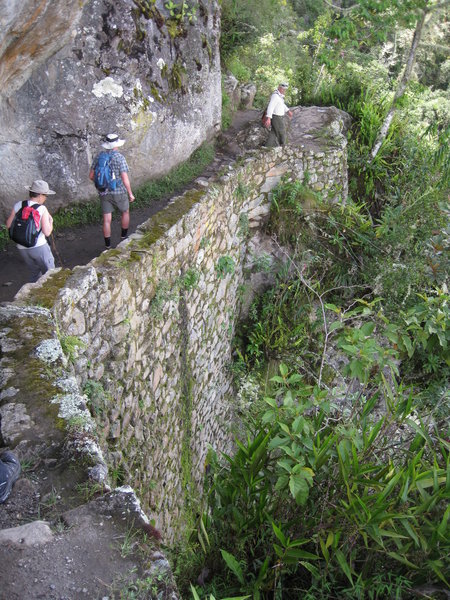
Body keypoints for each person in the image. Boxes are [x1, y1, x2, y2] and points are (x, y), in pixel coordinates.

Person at [89, 133, 135, 249]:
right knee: (125, 212)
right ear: (116, 145)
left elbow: (91, 176)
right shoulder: (120, 158)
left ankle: (107, 245)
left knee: (107, 219)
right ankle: (123, 237)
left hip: (104, 192)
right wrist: (130, 193)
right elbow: (125, 178)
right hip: (119, 191)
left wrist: (102, 184)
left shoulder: (99, 157)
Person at [5, 179, 56, 283]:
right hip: (39, 247)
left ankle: (31, 294)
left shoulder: (19, 205)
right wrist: (51, 222)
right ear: (41, 195)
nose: (46, 198)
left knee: (35, 272)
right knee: (50, 273)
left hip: (22, 248)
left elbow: (8, 225)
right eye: (46, 195)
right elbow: (47, 232)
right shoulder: (42, 209)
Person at [264, 82, 293, 147]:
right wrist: (268, 118)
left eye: (285, 89)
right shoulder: (275, 96)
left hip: (279, 117)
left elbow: (282, 105)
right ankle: (283, 145)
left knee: (273, 132)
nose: (284, 91)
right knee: (281, 131)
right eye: (283, 89)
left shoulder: (279, 96)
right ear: (279, 88)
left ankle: (268, 146)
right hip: (276, 117)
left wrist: (288, 111)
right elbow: (270, 106)